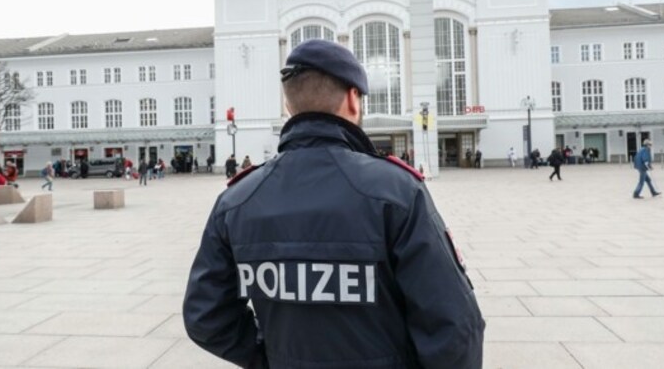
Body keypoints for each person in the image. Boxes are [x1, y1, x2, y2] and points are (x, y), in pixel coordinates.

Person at [183, 39, 484, 368]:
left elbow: (205, 315)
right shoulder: (396, 192)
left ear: (289, 107)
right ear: (353, 99)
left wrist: (268, 356)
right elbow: (455, 328)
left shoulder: (237, 200)